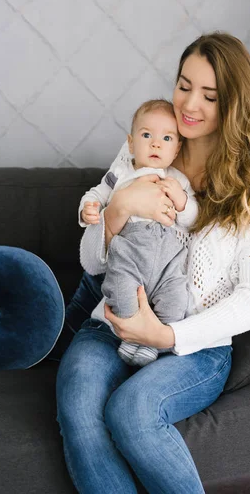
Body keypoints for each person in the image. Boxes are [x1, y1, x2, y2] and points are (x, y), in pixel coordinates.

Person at [56, 32, 250, 494]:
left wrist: (165, 335)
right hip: (111, 323)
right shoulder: (152, 139)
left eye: (210, 95)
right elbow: (92, 262)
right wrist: (118, 210)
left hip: (195, 347)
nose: (189, 104)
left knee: (132, 411)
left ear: (234, 103)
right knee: (78, 406)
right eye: (184, 85)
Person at [78, 99, 197, 367]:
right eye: (147, 135)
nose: (156, 144)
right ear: (131, 144)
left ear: (177, 149)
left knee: (177, 298)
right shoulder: (120, 173)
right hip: (128, 252)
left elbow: (192, 219)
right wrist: (88, 208)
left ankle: (150, 343)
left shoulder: (177, 180)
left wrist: (181, 201)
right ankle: (131, 336)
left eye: (166, 138)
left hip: (167, 259)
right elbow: (97, 193)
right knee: (119, 289)